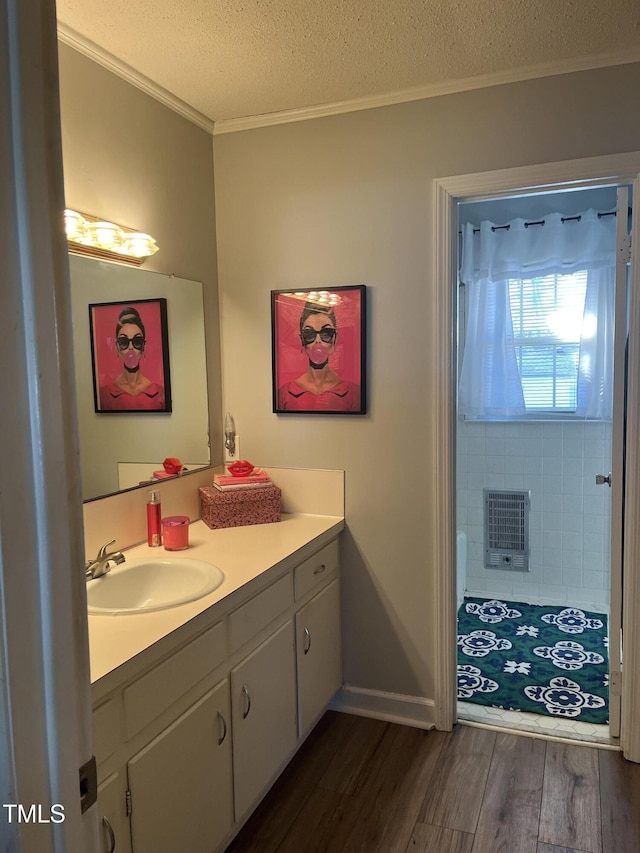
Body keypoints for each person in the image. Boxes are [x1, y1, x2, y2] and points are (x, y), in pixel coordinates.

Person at [277, 300, 360, 411]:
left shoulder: (353, 393)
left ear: (334, 338)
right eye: (309, 334)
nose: (318, 341)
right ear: (302, 339)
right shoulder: (285, 393)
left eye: (326, 333)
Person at [99, 306, 166, 410]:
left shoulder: (160, 393)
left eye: (137, 341)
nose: (131, 347)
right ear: (117, 346)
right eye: (124, 342)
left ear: (144, 346)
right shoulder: (103, 396)